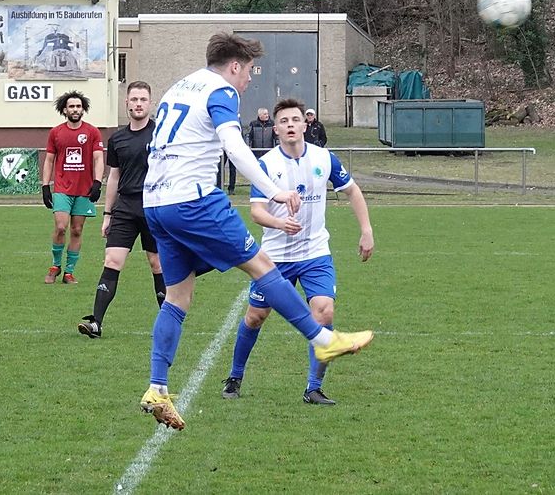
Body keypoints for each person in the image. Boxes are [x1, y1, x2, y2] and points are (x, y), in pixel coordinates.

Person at [139, 32, 374, 431]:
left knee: (177, 296)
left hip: (156, 203)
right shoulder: (221, 91)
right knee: (264, 266)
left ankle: (157, 387)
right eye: (249, 71)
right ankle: (323, 340)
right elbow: (233, 145)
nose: (249, 80)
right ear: (234, 66)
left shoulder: (178, 88)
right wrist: (273, 190)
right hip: (194, 200)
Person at [222, 98, 374, 406]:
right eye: (284, 121)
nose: (290, 125)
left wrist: (367, 230)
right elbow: (256, 212)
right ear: (276, 129)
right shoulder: (266, 165)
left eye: (295, 120)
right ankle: (235, 376)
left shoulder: (324, 158)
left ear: (305, 124)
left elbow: (353, 191)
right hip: (274, 258)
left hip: (315, 252)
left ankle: (313, 388)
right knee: (255, 317)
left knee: (324, 311)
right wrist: (280, 223)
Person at [78, 81, 165, 338]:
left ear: (150, 103)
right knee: (112, 261)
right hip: (125, 208)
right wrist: (107, 214)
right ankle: (96, 323)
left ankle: (169, 323)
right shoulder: (117, 139)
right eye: (134, 99)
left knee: (157, 263)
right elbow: (114, 177)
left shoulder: (161, 134)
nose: (138, 104)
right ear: (126, 103)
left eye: (143, 99)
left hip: (154, 207)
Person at [41, 91, 104, 284]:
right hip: (62, 188)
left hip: (84, 190)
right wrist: (45, 186)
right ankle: (55, 266)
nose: (75, 109)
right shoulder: (56, 132)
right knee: (61, 227)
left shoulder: (92, 132)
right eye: (71, 106)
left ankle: (68, 272)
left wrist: (97, 182)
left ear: (83, 109)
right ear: (64, 110)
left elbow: (98, 158)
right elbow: (49, 160)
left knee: (76, 230)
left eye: (78, 106)